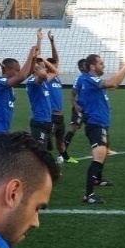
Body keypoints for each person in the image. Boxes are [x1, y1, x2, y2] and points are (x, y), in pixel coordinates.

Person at [75, 52, 125, 204]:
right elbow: (111, 84)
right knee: (99, 154)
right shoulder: (89, 79)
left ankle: (97, 181)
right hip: (95, 123)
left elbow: (113, 86)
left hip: (100, 122)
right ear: (92, 66)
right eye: (101, 63)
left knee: (102, 153)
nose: (103, 65)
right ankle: (88, 195)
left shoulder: (92, 80)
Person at [0, 29, 43, 145]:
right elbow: (22, 76)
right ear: (5, 69)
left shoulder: (8, 84)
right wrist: (30, 55)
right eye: (16, 70)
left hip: (2, 132)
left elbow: (28, 71)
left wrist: (38, 43)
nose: (18, 73)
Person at [44, 31, 77, 164]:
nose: (57, 66)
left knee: (60, 139)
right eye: (54, 65)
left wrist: (52, 42)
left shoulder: (56, 77)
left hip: (59, 115)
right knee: (45, 140)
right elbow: (54, 62)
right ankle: (43, 161)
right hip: (50, 115)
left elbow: (55, 59)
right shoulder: (46, 78)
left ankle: (65, 157)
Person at [25, 57, 59, 155]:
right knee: (39, 152)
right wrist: (39, 66)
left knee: (44, 150)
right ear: (35, 70)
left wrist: (44, 60)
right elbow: (43, 75)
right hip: (39, 122)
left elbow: (56, 72)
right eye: (42, 68)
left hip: (47, 121)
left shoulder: (44, 82)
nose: (45, 69)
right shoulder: (33, 82)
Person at [61, 57, 87, 155]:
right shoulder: (80, 79)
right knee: (72, 129)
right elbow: (72, 95)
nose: (88, 65)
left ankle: (105, 148)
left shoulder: (93, 77)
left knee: (97, 127)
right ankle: (62, 152)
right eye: (85, 64)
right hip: (80, 108)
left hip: (91, 109)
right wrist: (76, 106)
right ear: (81, 68)